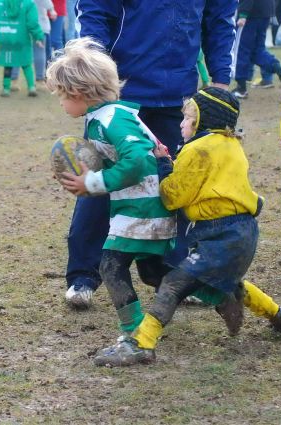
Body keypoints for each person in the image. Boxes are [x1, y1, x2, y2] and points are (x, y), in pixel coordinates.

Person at [93, 87, 281, 367]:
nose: (181, 123)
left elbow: (173, 196)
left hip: (220, 234)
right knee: (220, 280)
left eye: (188, 118)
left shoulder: (198, 149)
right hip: (243, 231)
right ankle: (279, 314)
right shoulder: (230, 145)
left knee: (172, 284)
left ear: (203, 121)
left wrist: (165, 164)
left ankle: (141, 343)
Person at [65, 0, 238, 309]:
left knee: (173, 184)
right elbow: (94, 11)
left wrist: (221, 78)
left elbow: (220, 18)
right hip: (117, 92)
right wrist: (96, 74)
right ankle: (84, 276)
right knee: (101, 181)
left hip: (177, 94)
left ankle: (176, 276)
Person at [46, 37, 180, 341]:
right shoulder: (104, 117)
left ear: (78, 93)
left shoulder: (112, 120)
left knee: (110, 266)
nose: (61, 103)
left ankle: (134, 332)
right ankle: (225, 295)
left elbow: (137, 161)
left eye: (61, 96)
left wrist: (93, 182)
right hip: (140, 206)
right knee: (153, 273)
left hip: (144, 208)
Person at [232, 0, 281, 97]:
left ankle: (241, 88)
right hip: (265, 11)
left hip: (250, 13)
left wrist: (243, 14)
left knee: (242, 50)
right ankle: (280, 71)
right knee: (257, 51)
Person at [0, 0, 45, 97]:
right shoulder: (28, 4)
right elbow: (32, 23)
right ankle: (31, 87)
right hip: (22, 38)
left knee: (7, 64)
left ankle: (6, 89)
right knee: (26, 63)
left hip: (4, 38)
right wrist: (38, 37)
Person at [10, 0, 57, 89]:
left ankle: (13, 80)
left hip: (20, 26)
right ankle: (39, 80)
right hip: (39, 25)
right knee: (39, 52)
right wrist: (51, 9)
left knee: (17, 52)